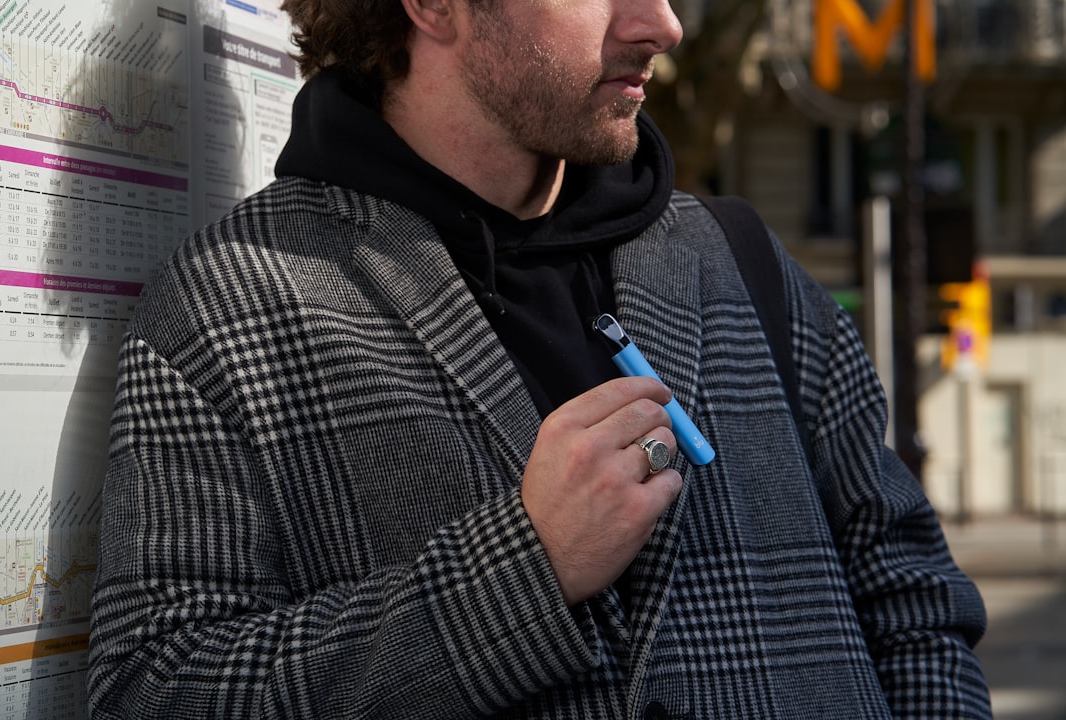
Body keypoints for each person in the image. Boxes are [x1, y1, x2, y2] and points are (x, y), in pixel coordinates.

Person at [86, 0, 992, 718]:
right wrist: (521, 572)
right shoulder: (223, 307)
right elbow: (157, 689)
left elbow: (913, 605)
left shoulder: (743, 259)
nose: (663, 24)